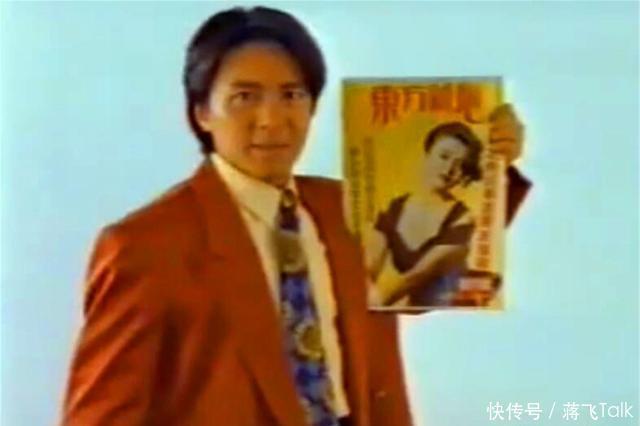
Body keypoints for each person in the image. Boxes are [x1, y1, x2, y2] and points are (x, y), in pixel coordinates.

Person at [61, 6, 530, 426]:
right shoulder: (145, 247)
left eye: (291, 95)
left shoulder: (346, 209)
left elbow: (417, 285)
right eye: (245, 97)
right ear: (202, 112)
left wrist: (494, 165)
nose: (272, 119)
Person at [366, 121, 486, 308]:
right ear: (427, 155)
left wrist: (368, 306)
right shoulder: (394, 208)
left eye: (460, 165)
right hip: (413, 311)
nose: (449, 169)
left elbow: (415, 277)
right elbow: (367, 269)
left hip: (451, 312)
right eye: (444, 156)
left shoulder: (462, 219)